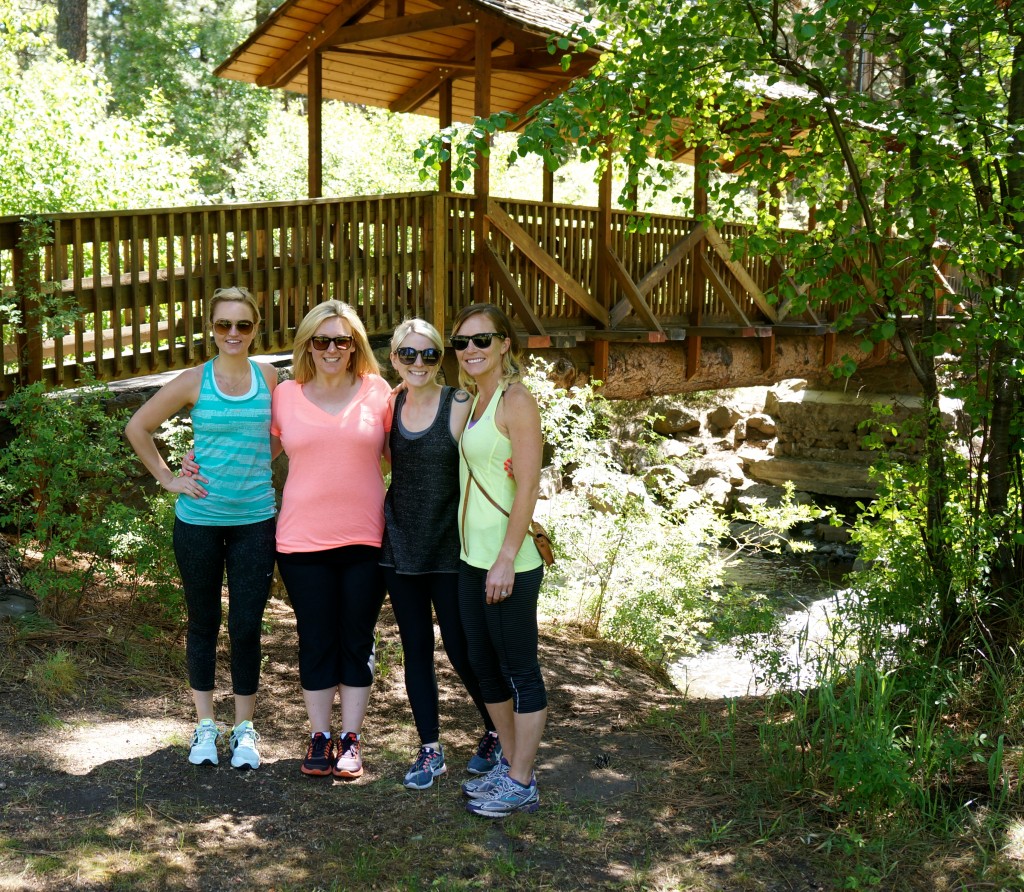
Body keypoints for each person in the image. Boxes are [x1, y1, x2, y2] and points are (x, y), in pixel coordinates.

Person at [124, 285, 277, 770]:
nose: (233, 333)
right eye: (223, 325)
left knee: (248, 625)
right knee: (204, 622)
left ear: (256, 329)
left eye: (243, 325)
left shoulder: (271, 377)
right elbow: (137, 427)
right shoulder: (195, 381)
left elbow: (285, 436)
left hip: (256, 519)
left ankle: (246, 728)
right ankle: (206, 726)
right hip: (199, 522)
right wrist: (169, 478)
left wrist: (258, 461)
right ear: (211, 329)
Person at [271, 299, 391, 780]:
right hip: (301, 542)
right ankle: (320, 736)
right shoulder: (285, 395)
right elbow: (257, 448)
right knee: (315, 638)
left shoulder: (379, 392)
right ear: (307, 345)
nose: (332, 349)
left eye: (343, 340)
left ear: (355, 345)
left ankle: (352, 738)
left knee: (357, 639)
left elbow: (405, 455)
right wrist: (194, 469)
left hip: (366, 539)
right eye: (321, 340)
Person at [381, 319, 501, 790]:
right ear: (394, 359)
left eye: (429, 355)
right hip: (400, 547)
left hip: (452, 548)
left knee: (463, 647)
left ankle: (496, 730)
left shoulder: (460, 403)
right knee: (416, 652)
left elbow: (491, 453)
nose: (418, 363)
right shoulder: (389, 404)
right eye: (407, 354)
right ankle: (430, 750)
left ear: (441, 359)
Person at [450, 303, 547, 817]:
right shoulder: (473, 401)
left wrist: (506, 557)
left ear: (505, 344)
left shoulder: (516, 401)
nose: (471, 350)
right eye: (462, 342)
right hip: (471, 558)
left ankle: (522, 781)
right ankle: (511, 766)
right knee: (481, 666)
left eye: (482, 340)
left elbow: (528, 484)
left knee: (519, 670)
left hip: (510, 561)